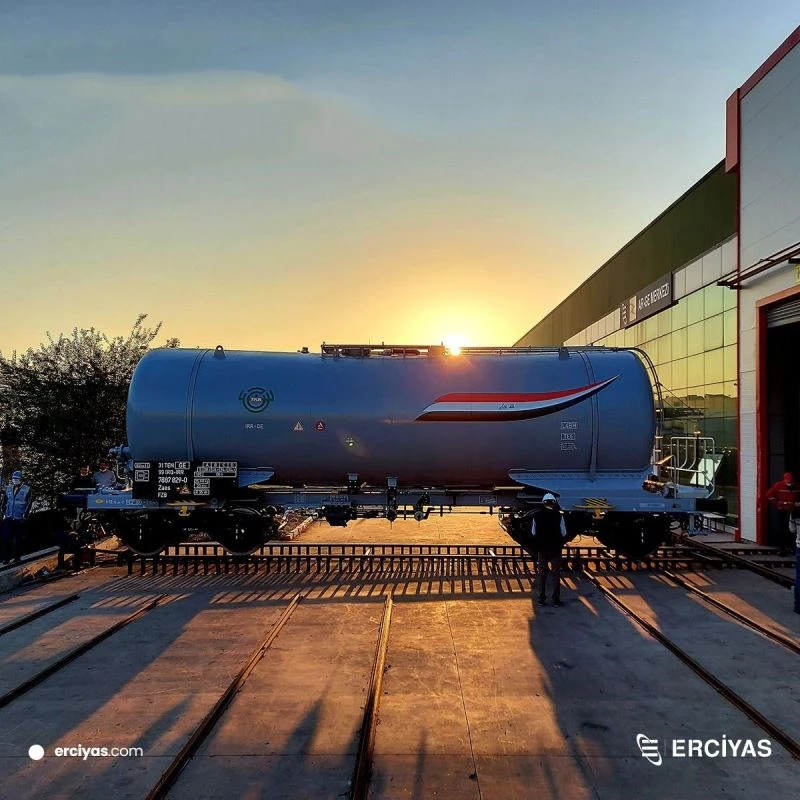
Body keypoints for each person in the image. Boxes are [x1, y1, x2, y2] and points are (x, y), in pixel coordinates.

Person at [531, 493, 569, 606]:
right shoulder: (559, 516)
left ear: (543, 503)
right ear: (554, 503)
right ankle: (556, 599)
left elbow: (533, 532)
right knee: (556, 574)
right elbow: (564, 532)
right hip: (555, 549)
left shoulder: (536, 515)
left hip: (542, 549)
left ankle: (541, 599)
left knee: (542, 573)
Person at [1, 471, 33, 564]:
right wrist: (3, 513)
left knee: (18, 539)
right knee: (5, 538)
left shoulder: (27, 489)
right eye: (13, 478)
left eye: (17, 478)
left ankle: (17, 557)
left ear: (21, 479)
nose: (15, 480)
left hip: (19, 519)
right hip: (9, 518)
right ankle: (6, 558)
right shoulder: (8, 488)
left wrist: (25, 516)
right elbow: (3, 502)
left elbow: (29, 504)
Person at [765, 472, 799, 553]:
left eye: (790, 482)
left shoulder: (797, 486)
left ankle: (793, 547)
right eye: (788, 482)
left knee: (793, 530)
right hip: (783, 511)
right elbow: (769, 495)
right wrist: (777, 503)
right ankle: (782, 549)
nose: (789, 484)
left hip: (793, 511)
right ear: (785, 480)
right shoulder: (778, 485)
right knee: (783, 530)